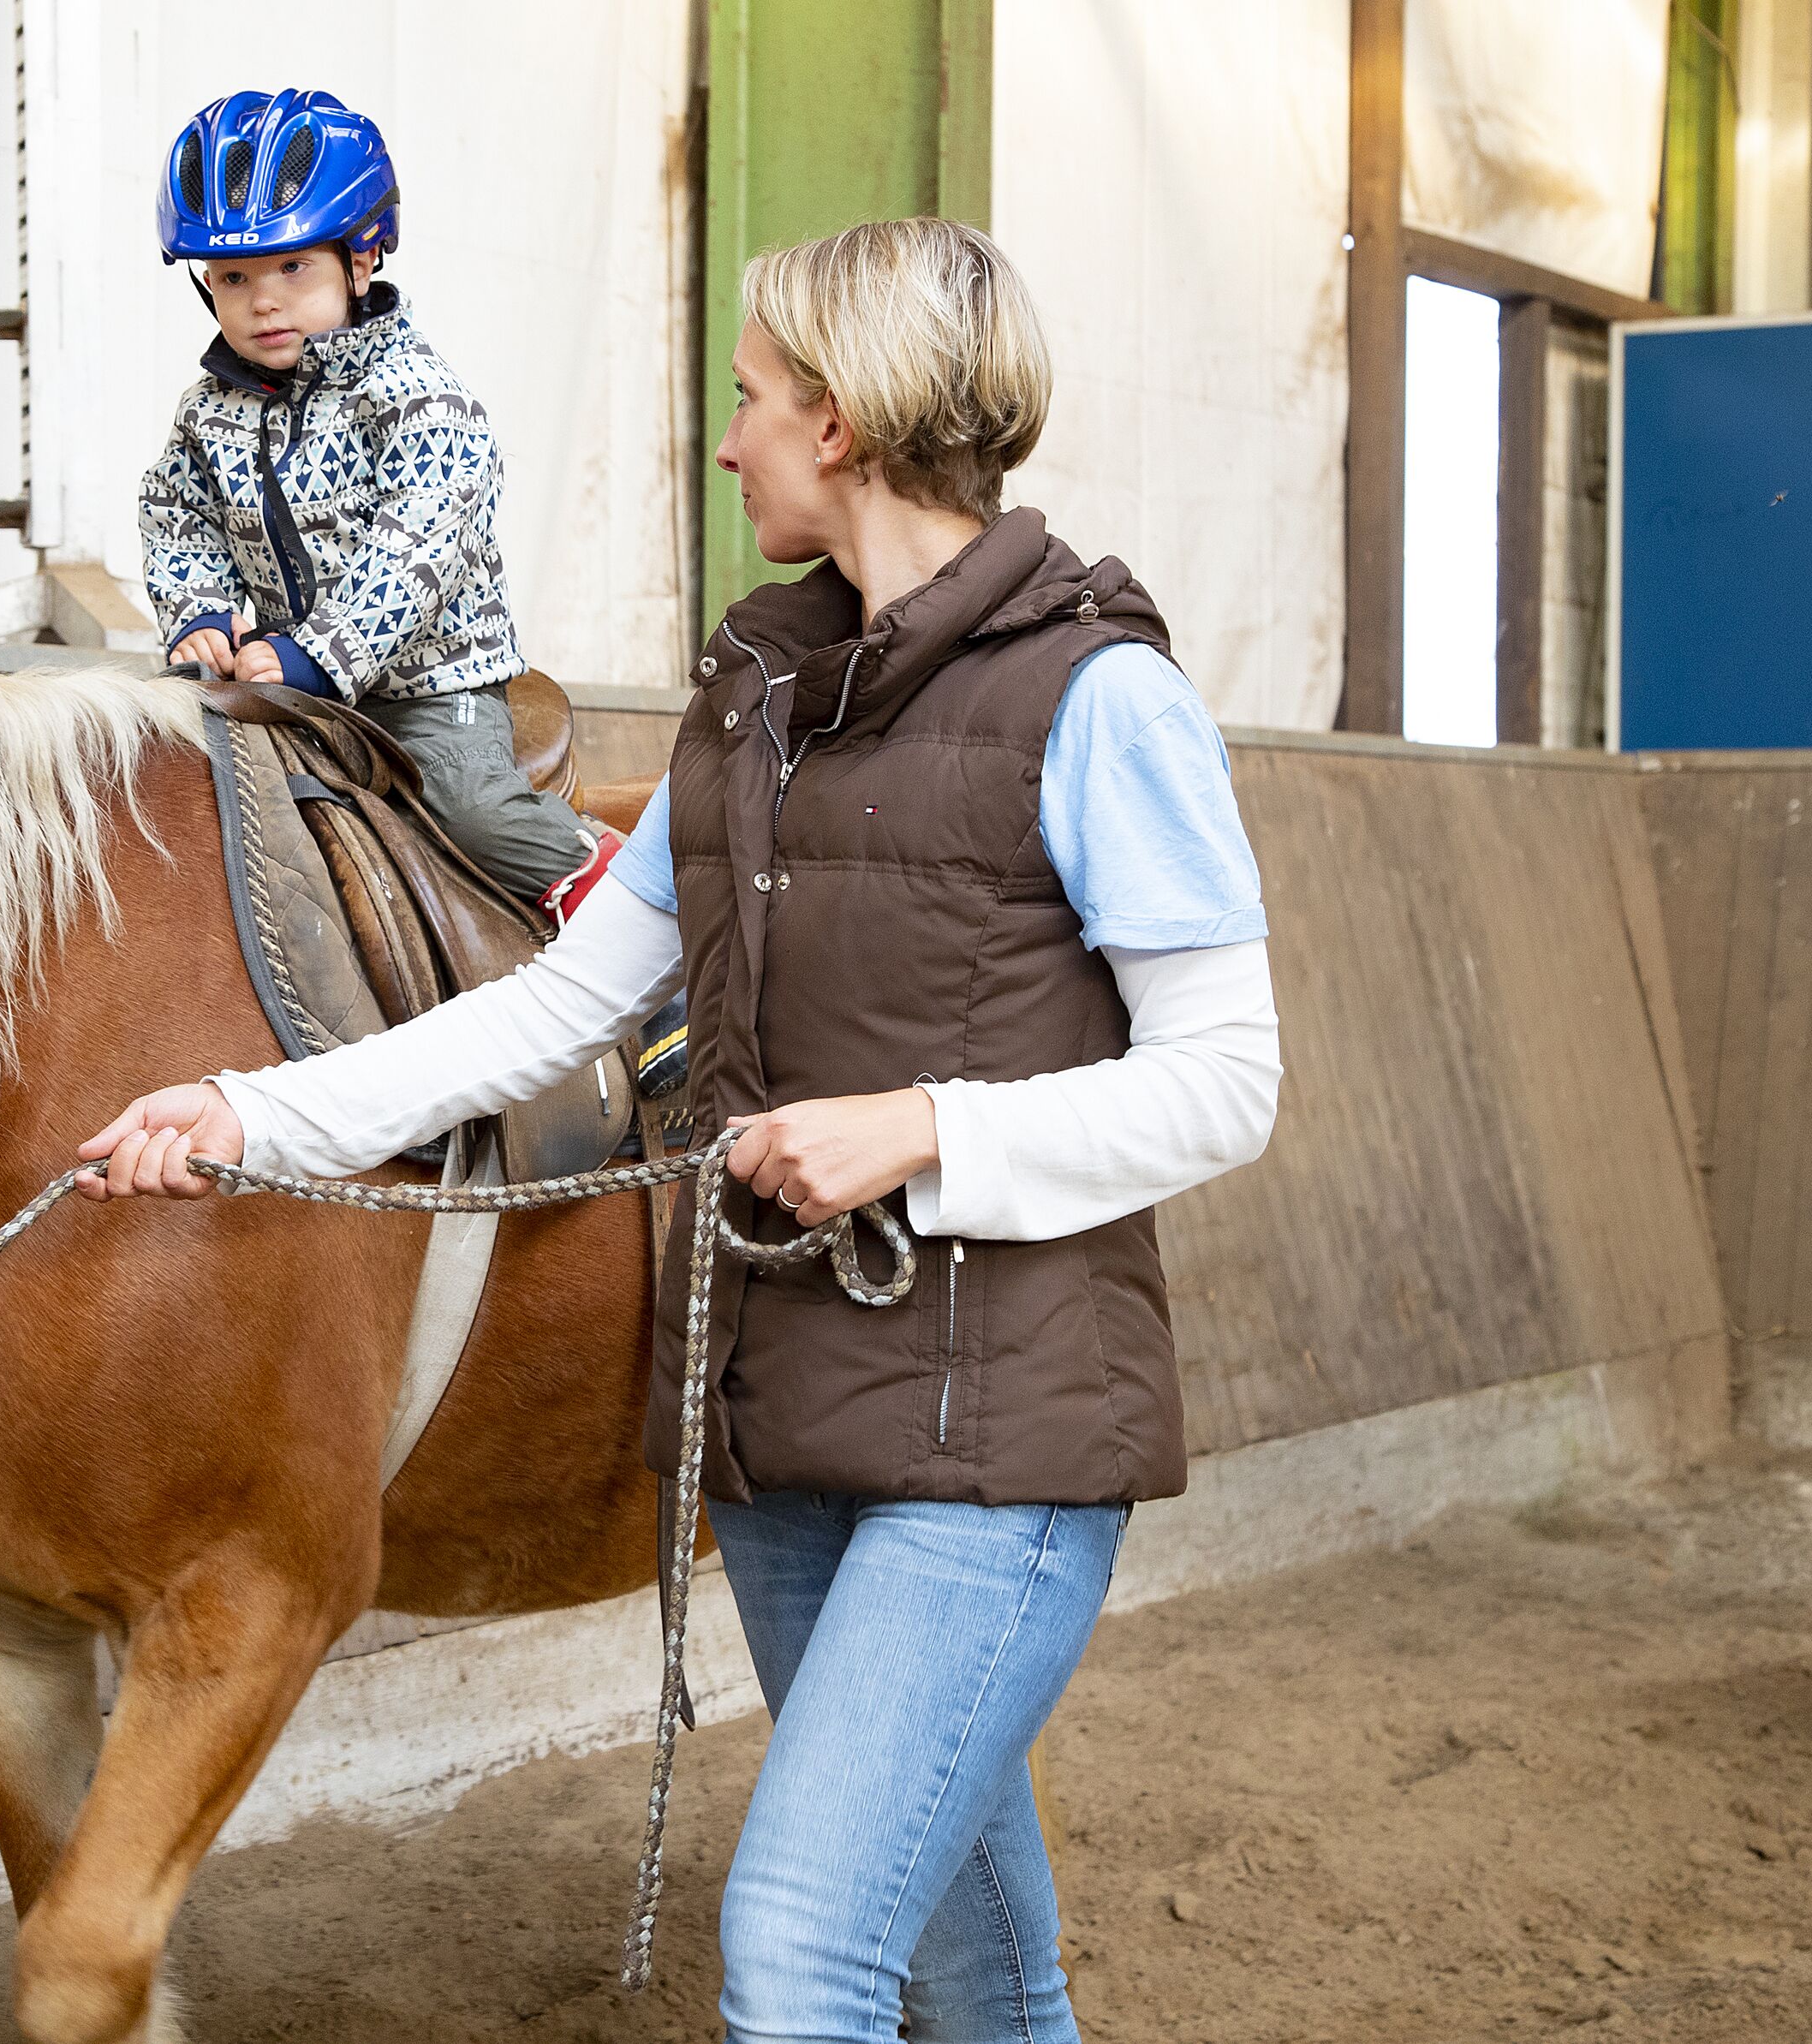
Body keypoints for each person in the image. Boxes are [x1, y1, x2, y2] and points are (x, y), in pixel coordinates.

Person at [77, 217, 1284, 2044]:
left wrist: (917, 1130)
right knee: (980, 1971)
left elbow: (1227, 1076)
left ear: (847, 422)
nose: (727, 442)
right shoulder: (750, 706)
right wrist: (249, 1109)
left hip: (1010, 1428)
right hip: (786, 1421)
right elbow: (555, 1007)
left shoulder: (1102, 699)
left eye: (750, 399)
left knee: (799, 1957)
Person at [140, 87, 620, 918]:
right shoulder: (206, 411)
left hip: (429, 684)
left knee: (471, 811)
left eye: (294, 266)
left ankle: (639, 926)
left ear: (361, 260)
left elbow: (420, 542)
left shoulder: (414, 393)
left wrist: (320, 652)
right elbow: (177, 513)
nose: (264, 300)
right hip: (293, 678)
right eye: (234, 276)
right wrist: (200, 615)